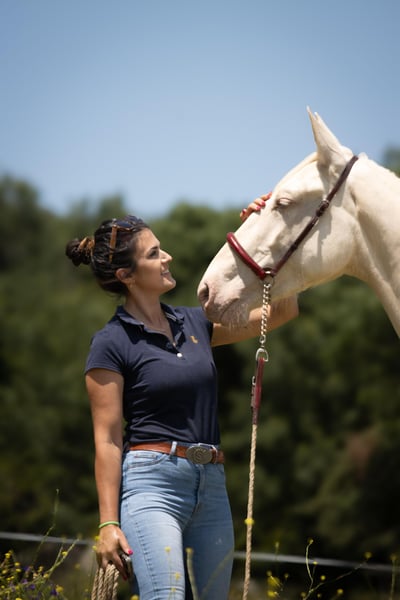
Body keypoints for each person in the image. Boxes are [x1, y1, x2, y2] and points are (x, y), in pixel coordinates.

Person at [65, 207, 297, 600]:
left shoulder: (195, 324)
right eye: (154, 254)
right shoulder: (110, 342)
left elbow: (284, 310)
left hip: (212, 484)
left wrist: (276, 228)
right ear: (126, 275)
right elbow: (107, 440)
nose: (167, 257)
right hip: (151, 486)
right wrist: (107, 523)